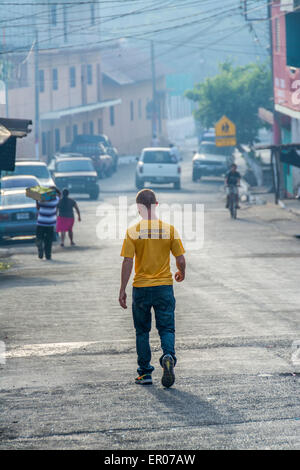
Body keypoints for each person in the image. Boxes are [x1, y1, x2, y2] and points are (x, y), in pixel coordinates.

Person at [119, 189, 186, 388]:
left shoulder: (133, 231)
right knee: (166, 327)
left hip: (141, 288)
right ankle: (168, 356)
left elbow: (127, 262)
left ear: (139, 208)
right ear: (156, 205)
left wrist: (122, 289)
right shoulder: (169, 230)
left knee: (142, 331)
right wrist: (182, 272)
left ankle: (145, 373)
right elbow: (180, 259)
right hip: (164, 287)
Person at [36, 187, 60, 260]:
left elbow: (38, 207)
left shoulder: (41, 200)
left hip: (41, 222)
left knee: (39, 237)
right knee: (49, 240)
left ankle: (40, 246)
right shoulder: (56, 200)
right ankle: (48, 255)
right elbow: (59, 196)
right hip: (50, 223)